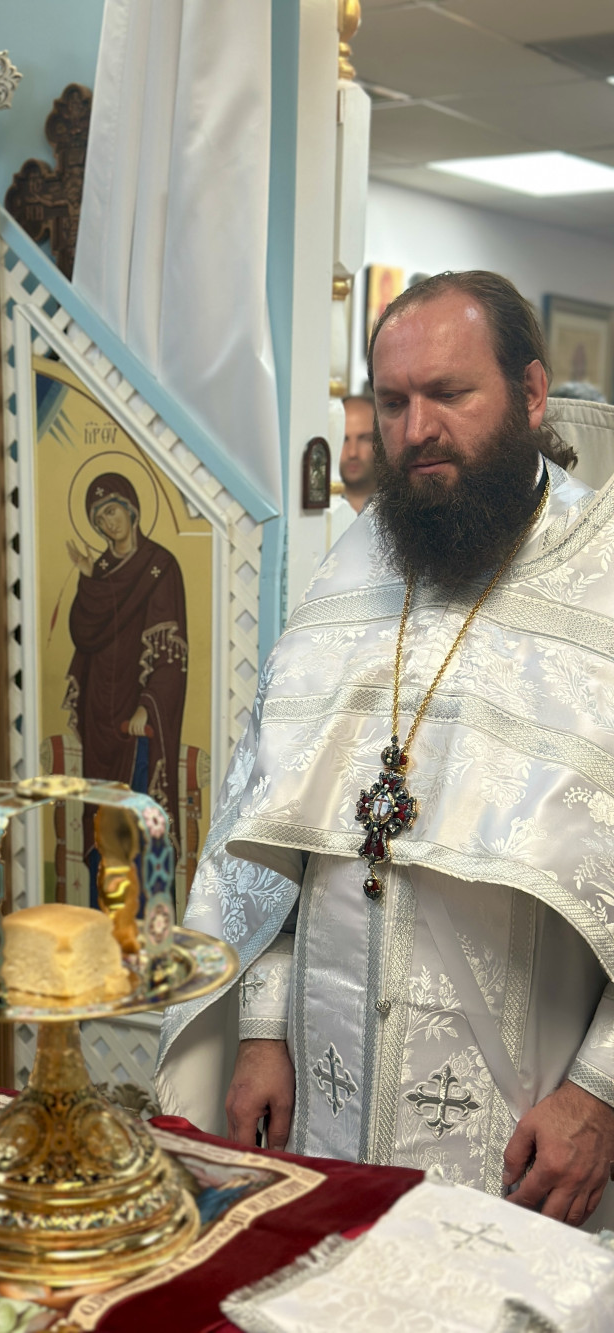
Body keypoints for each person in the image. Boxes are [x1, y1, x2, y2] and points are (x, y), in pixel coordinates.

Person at [156, 270, 614, 1229]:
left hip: (523, 1132)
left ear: (532, 394)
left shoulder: (603, 575)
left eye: (450, 394)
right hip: (323, 1101)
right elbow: (276, 828)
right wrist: (263, 1029)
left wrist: (600, 1094)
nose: (417, 431)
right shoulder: (355, 568)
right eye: (394, 402)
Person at [65, 471, 188, 859]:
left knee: (137, 822)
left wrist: (147, 705)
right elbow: (84, 635)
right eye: (99, 517)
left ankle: (144, 898)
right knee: (102, 822)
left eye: (113, 510)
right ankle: (101, 898)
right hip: (98, 713)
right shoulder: (100, 569)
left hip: (137, 720)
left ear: (131, 509)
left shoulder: (160, 566)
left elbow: (170, 653)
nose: (108, 522)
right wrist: (88, 580)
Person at [328, 393, 376, 547]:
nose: (352, 452)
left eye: (364, 439)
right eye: (344, 439)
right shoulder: (316, 514)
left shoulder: (401, 508)